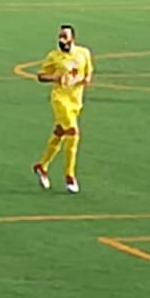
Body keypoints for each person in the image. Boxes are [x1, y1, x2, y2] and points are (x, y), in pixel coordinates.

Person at [33, 24, 93, 194]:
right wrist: (55, 77)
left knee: (60, 132)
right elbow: (41, 76)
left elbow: (88, 76)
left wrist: (79, 80)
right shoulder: (54, 56)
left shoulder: (84, 54)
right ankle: (70, 175)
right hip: (60, 99)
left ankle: (42, 165)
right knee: (73, 134)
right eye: (59, 36)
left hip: (76, 101)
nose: (61, 40)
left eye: (65, 36)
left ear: (73, 38)